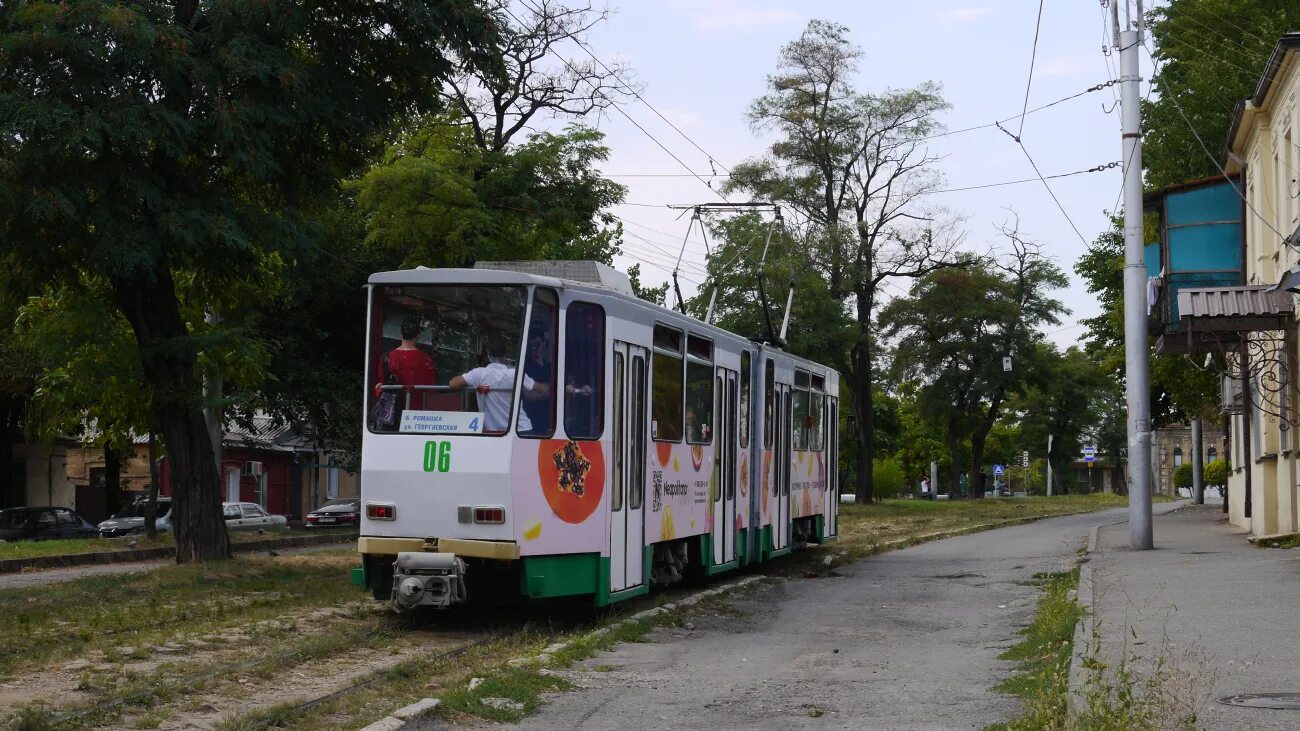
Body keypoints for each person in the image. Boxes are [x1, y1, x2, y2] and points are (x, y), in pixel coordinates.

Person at [450, 346, 547, 433]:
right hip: (521, 430)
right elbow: (542, 389)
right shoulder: (515, 374)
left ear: (486, 356)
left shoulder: (478, 374)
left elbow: (453, 384)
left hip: (493, 432)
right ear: (505, 357)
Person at [381, 314, 436, 410]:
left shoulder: (387, 358)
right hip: (417, 413)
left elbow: (380, 385)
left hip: (392, 411)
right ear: (418, 335)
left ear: (401, 333)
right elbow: (431, 390)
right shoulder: (426, 361)